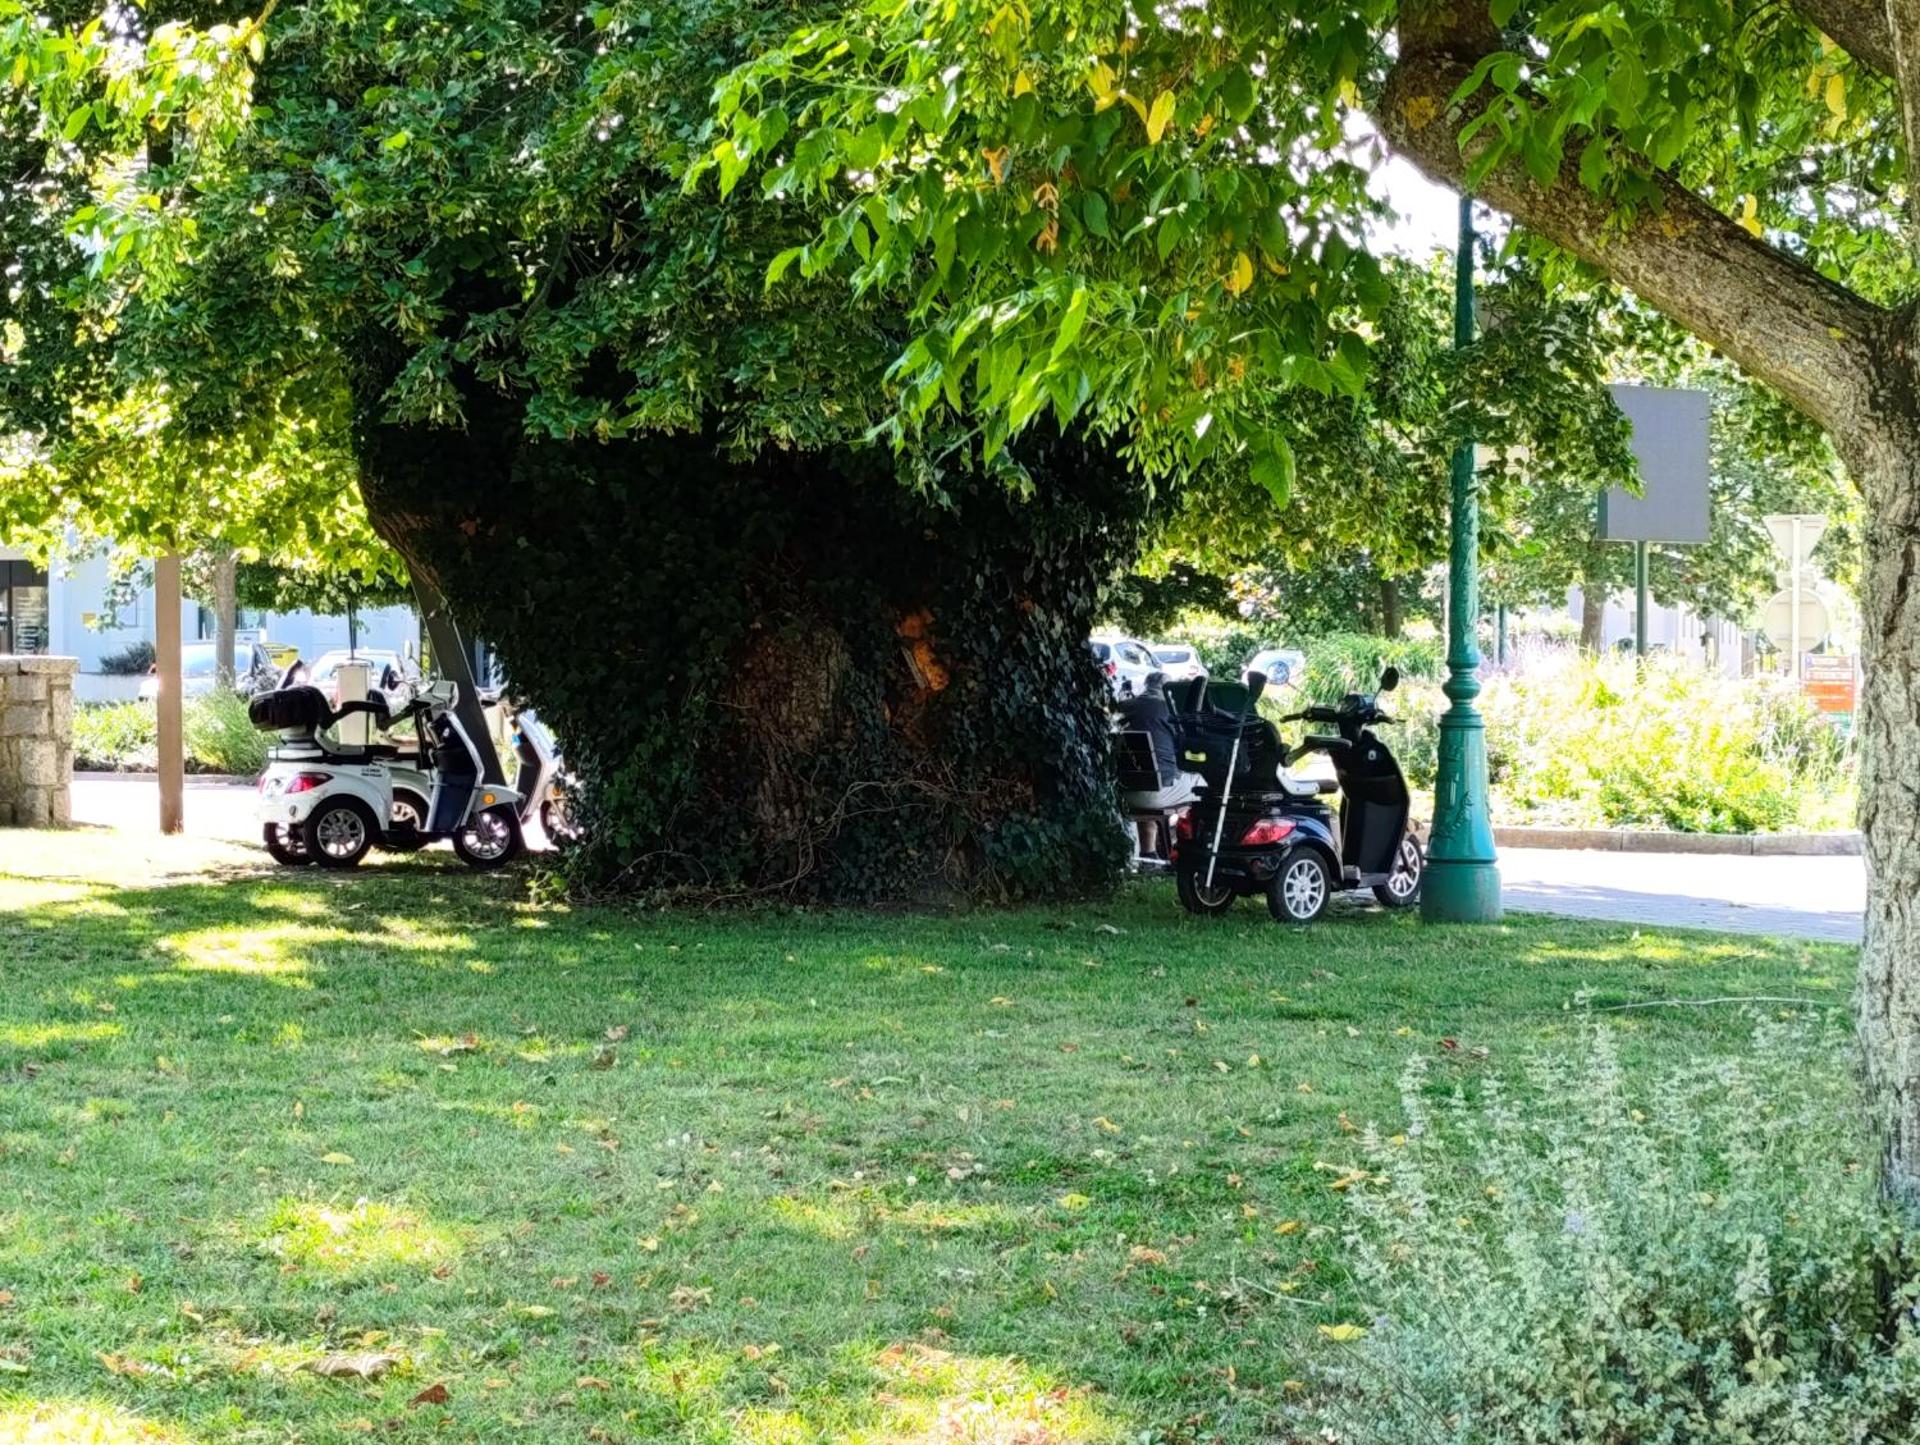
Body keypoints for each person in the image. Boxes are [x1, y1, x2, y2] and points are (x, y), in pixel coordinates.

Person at [1116, 671, 1204, 858]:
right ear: (1167, 690)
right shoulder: (1169, 711)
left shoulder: (1126, 707)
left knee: (1146, 776)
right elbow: (1186, 751)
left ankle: (1149, 853)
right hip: (1158, 794)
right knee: (1205, 784)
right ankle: (1192, 849)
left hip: (1126, 793)